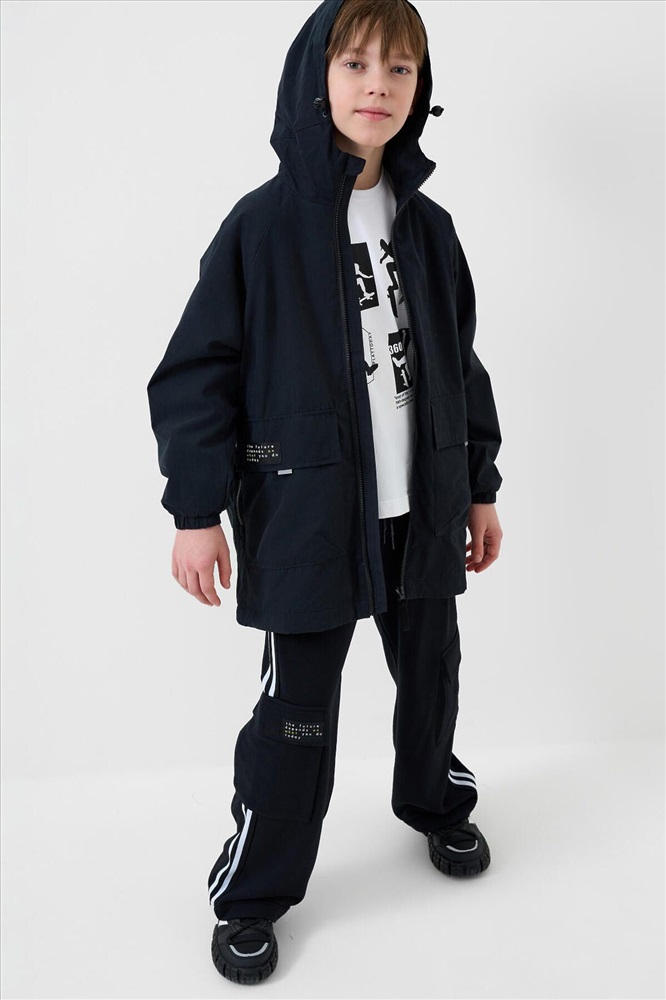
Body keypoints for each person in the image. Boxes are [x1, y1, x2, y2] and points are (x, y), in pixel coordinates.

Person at [146, 0, 503, 985]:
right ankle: (253, 893)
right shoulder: (262, 227)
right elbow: (196, 374)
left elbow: (462, 364)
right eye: (356, 65)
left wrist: (478, 486)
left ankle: (435, 801)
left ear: (420, 90)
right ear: (316, 78)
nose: (378, 86)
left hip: (421, 514)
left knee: (432, 678)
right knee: (296, 715)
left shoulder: (429, 230)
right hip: (308, 517)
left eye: (399, 69)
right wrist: (195, 510)